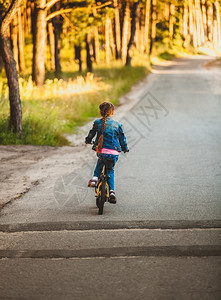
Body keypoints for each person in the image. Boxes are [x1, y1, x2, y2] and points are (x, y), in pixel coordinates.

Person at [85, 101, 129, 203]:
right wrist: (124, 148)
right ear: (112, 112)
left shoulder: (97, 123)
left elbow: (91, 134)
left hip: (101, 151)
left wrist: (88, 140)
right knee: (110, 171)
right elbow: (122, 139)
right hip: (113, 153)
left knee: (100, 161)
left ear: (100, 112)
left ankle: (95, 178)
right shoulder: (117, 124)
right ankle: (112, 192)